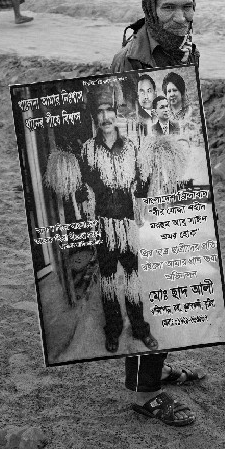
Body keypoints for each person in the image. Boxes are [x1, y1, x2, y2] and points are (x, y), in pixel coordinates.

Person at [110, 0, 207, 428]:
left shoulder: (185, 48)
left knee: (173, 281)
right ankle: (146, 394)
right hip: (142, 188)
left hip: (173, 178)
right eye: (169, 7)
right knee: (149, 286)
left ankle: (158, 367)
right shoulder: (132, 60)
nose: (180, 15)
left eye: (187, 5)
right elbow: (125, 133)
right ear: (152, 8)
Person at [75, 99, 158, 355]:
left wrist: (141, 201)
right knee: (109, 280)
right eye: (99, 112)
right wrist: (84, 206)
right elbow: (80, 186)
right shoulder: (88, 150)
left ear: (114, 114)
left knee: (132, 278)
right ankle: (113, 329)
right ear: (95, 118)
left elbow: (144, 174)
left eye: (108, 111)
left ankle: (140, 328)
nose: (105, 116)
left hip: (126, 223)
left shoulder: (131, 147)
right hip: (103, 223)